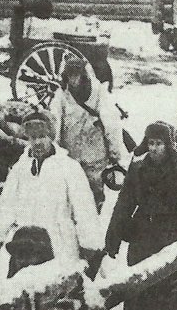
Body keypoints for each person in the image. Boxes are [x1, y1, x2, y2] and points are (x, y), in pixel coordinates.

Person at [0, 112, 103, 293]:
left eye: (42, 136)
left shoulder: (68, 167)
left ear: (51, 136)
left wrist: (91, 250)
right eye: (33, 137)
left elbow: (85, 212)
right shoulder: (20, 169)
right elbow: (6, 210)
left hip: (60, 246)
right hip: (25, 248)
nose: (37, 142)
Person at [106, 122, 177, 310]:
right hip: (142, 245)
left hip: (173, 244)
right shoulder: (137, 170)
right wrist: (113, 239)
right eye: (150, 143)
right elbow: (123, 206)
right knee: (141, 301)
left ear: (168, 145)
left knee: (171, 302)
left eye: (159, 143)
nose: (154, 148)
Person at [50, 56, 127, 207]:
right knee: (71, 192)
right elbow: (55, 121)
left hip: (95, 152)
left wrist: (115, 153)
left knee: (94, 191)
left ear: (82, 75)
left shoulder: (98, 92)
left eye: (76, 75)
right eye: (70, 75)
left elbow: (111, 123)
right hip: (71, 152)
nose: (73, 80)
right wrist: (55, 148)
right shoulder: (61, 95)